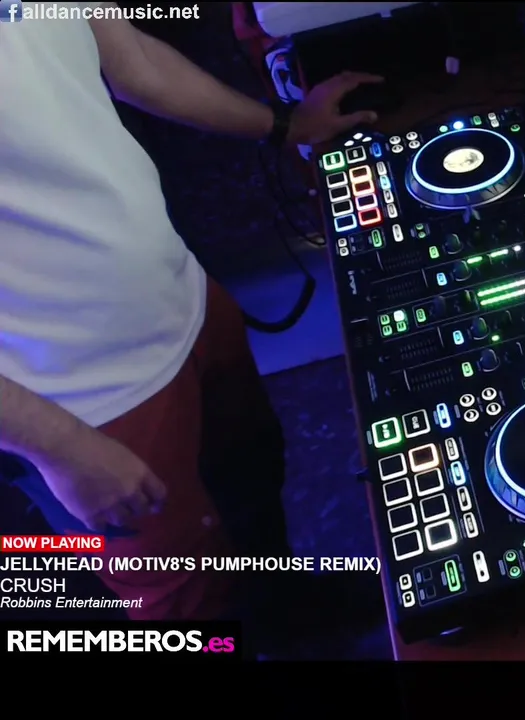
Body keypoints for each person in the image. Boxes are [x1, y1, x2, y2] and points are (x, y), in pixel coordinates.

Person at [0, 4, 380, 628]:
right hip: (84, 398)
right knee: (184, 594)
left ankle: (290, 616)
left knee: (253, 479)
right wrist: (59, 445)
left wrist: (287, 125)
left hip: (183, 295)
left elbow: (136, 63)